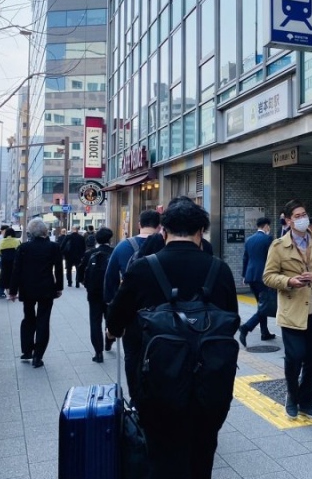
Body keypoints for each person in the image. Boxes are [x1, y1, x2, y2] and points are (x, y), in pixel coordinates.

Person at [107, 199, 238, 479]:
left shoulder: (143, 268)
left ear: (163, 232)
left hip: (158, 384)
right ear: (201, 231)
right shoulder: (220, 269)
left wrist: (114, 331)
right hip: (210, 384)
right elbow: (231, 321)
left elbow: (116, 319)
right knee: (202, 455)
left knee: (161, 456)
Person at [263, 199, 312, 421]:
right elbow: (268, 276)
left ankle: (307, 403)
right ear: (287, 220)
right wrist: (289, 281)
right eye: (297, 216)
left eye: (304, 214)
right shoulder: (278, 246)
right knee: (295, 357)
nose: (302, 218)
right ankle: (291, 397)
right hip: (292, 310)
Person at [104, 209, 162, 397]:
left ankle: (137, 399)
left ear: (139, 224)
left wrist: (115, 313)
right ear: (159, 225)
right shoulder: (165, 245)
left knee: (133, 356)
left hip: (132, 315)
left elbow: (110, 281)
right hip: (162, 315)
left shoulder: (123, 247)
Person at [8, 218, 64, 368]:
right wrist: (59, 288)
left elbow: (16, 270)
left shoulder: (23, 248)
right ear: (45, 231)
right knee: (43, 321)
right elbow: (58, 269)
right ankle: (38, 356)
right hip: (46, 288)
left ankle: (27, 351)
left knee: (28, 318)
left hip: (27, 288)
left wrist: (13, 291)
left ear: (30, 232)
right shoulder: (53, 247)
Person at [238, 217, 275, 346]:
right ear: (266, 226)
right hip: (263, 276)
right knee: (265, 305)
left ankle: (264, 332)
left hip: (251, 275)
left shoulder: (249, 240)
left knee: (261, 304)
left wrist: (244, 275)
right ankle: (246, 327)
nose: (269, 229)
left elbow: (245, 258)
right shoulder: (268, 239)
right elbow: (272, 258)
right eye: (268, 226)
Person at [82, 227, 115, 363]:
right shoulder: (114, 252)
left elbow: (81, 273)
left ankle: (98, 352)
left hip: (94, 293)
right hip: (111, 293)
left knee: (95, 322)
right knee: (110, 319)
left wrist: (87, 284)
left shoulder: (90, 253)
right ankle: (109, 341)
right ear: (110, 239)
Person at [0, 227, 20, 299]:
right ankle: (14, 293)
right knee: (15, 277)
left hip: (4, 262)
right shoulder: (16, 241)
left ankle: (1, 293)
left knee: (3, 276)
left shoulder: (2, 241)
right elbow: (19, 251)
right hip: (14, 262)